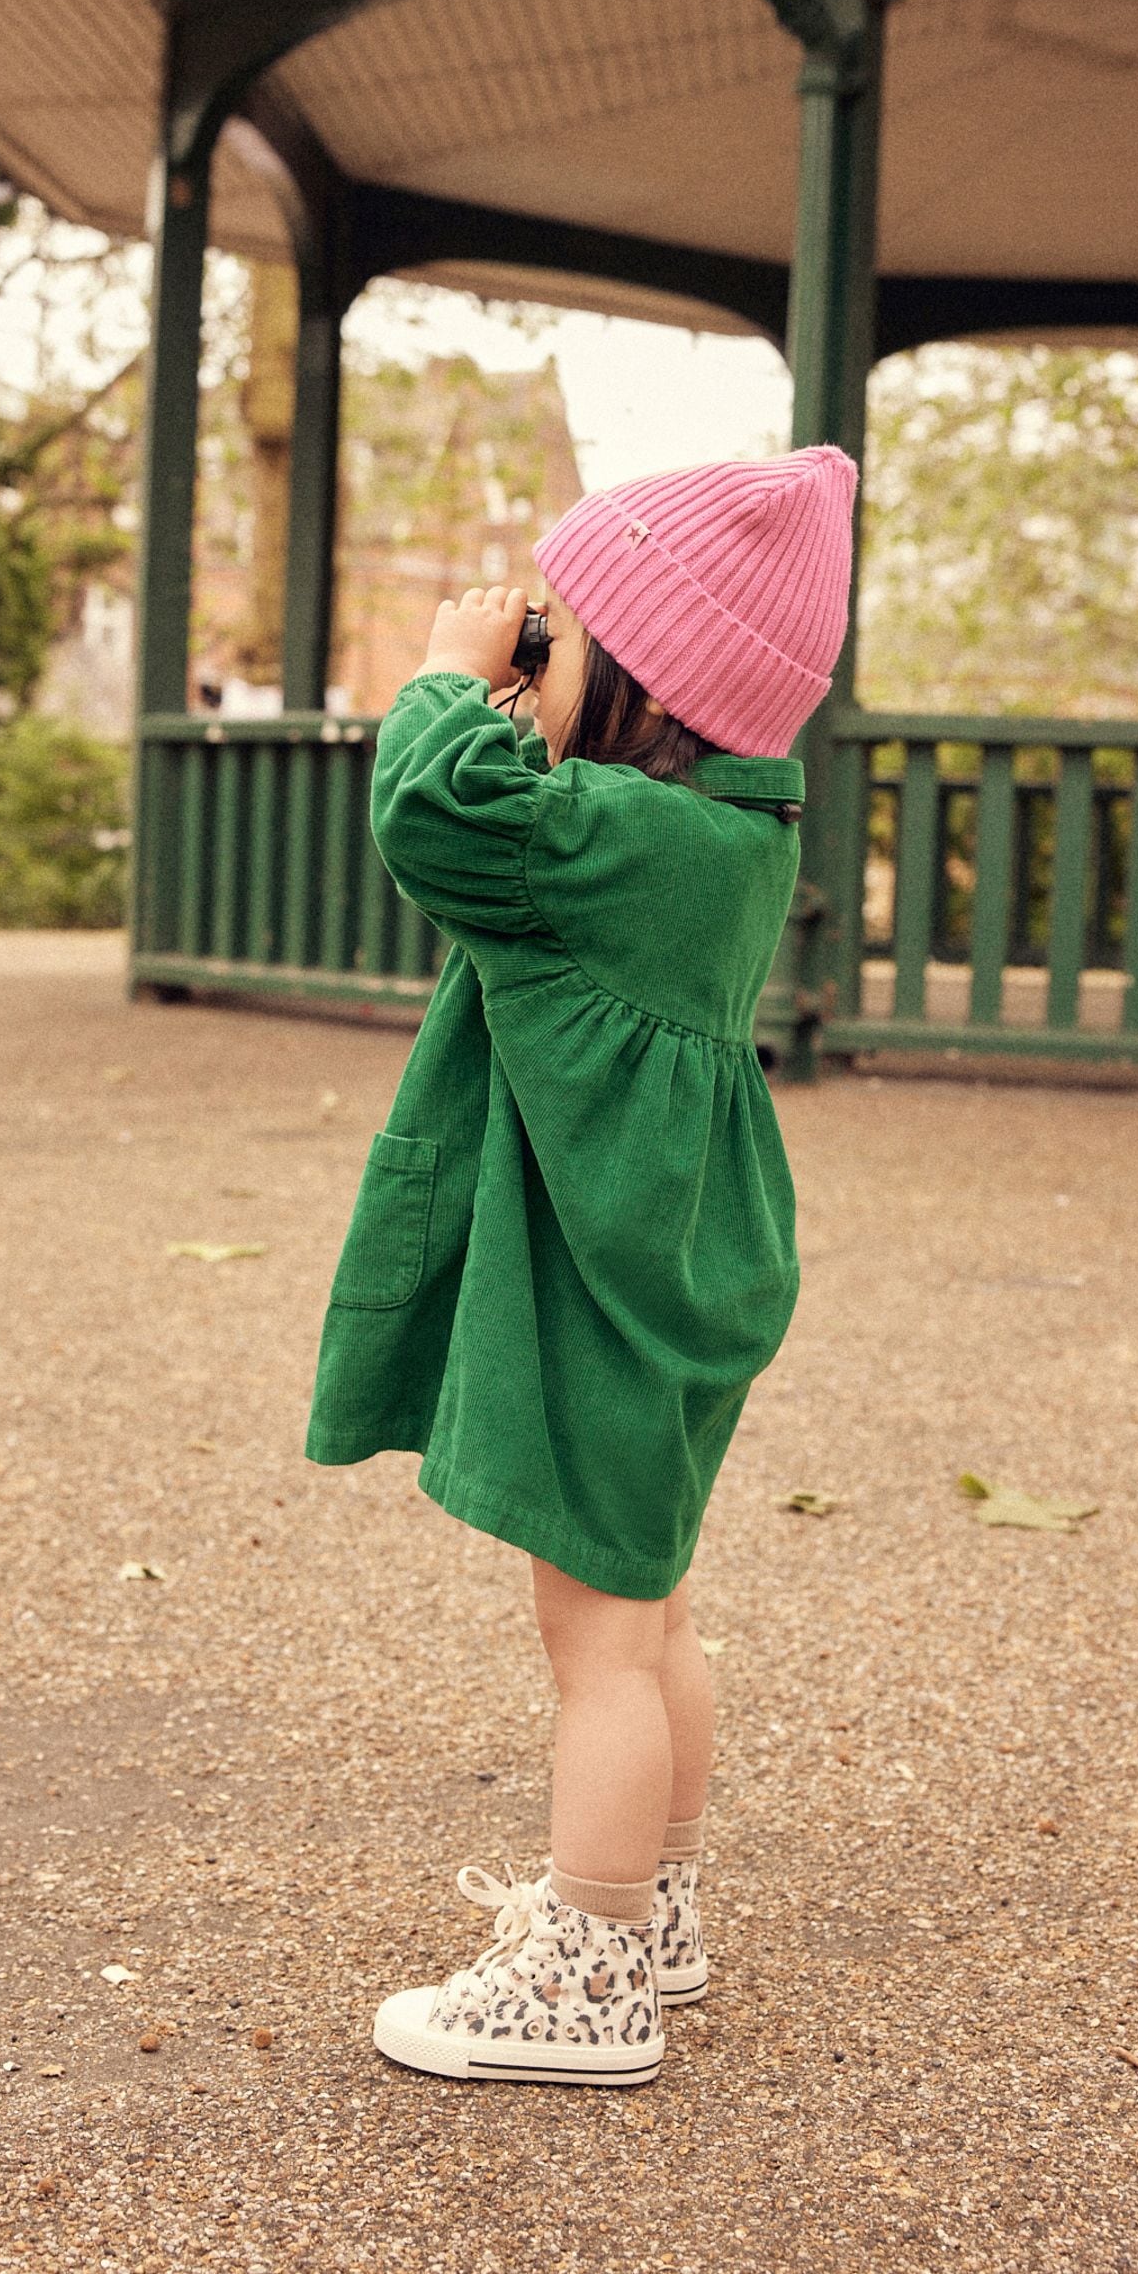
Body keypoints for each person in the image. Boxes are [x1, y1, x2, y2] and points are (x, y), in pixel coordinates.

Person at [305, 449, 857, 2086]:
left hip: (599, 1278)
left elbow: (432, 807)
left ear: (636, 678)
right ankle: (660, 1913)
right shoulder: (724, 833)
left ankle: (590, 1973)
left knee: (601, 1652)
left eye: (556, 639)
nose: (526, 665)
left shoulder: (601, 835)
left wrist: (445, 679)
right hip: (678, 1261)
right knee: (656, 1614)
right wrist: (533, 685)